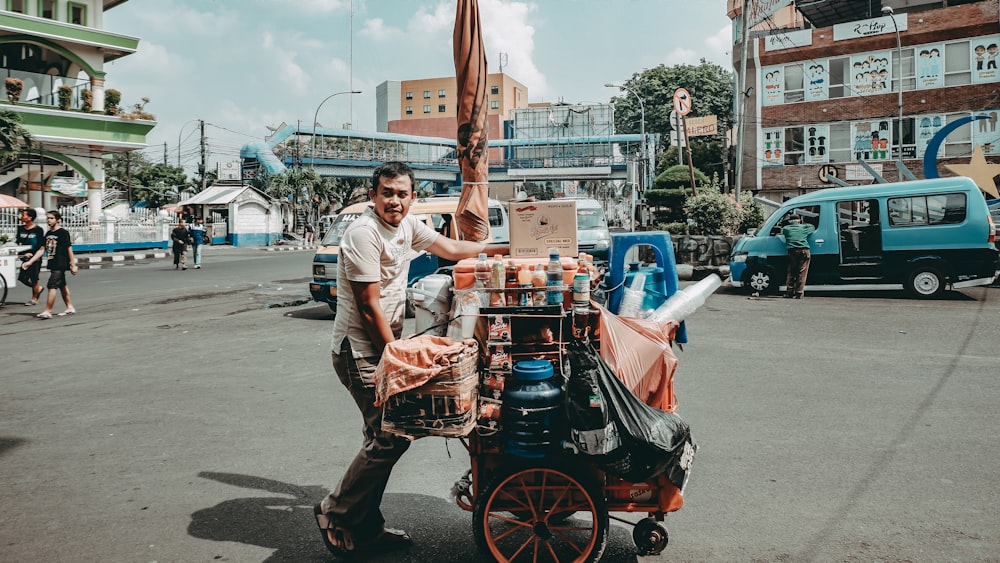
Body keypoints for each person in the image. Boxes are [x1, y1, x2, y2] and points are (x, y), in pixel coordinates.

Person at [313, 161, 508, 557]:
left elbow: (450, 248)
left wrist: (502, 249)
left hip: (381, 348)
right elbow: (369, 308)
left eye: (402, 193)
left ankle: (365, 524)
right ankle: (335, 511)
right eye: (387, 192)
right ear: (373, 196)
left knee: (385, 436)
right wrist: (398, 357)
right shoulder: (362, 234)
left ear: (412, 197)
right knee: (389, 436)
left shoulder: (407, 226)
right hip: (360, 351)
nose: (395, 201)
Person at [21, 210, 77, 318]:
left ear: (58, 220)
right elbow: (42, 249)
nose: (49, 220)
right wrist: (30, 262)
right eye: (48, 218)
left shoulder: (63, 232)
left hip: (60, 264)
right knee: (62, 285)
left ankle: (48, 311)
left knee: (51, 286)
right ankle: (70, 307)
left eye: (51, 218)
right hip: (52, 263)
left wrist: (72, 264)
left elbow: (69, 248)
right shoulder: (48, 234)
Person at [782, 213, 816, 299]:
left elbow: (784, 232)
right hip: (804, 250)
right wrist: (803, 223)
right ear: (799, 221)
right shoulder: (804, 228)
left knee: (791, 272)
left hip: (792, 251)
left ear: (790, 221)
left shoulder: (786, 229)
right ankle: (799, 293)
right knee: (802, 272)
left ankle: (789, 292)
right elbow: (812, 227)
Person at [16, 207, 45, 306]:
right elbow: (18, 242)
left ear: (30, 217)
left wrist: (33, 256)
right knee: (22, 278)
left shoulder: (38, 230)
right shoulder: (20, 229)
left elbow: (41, 245)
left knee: (34, 278)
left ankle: (34, 298)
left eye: (24, 215)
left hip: (35, 258)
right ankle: (38, 289)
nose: (21, 217)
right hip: (24, 256)